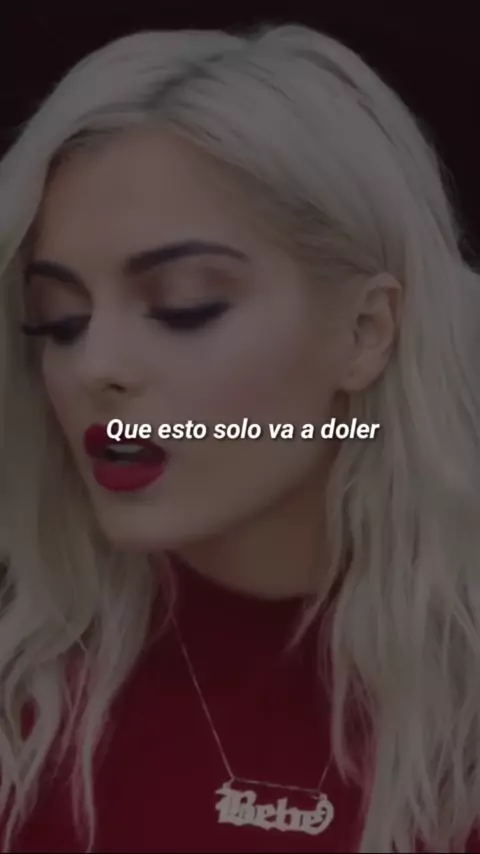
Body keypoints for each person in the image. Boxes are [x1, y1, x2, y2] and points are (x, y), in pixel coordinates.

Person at [0, 21, 479, 854]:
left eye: (184, 305)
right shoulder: (26, 712)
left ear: (365, 330)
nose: (95, 367)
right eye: (60, 319)